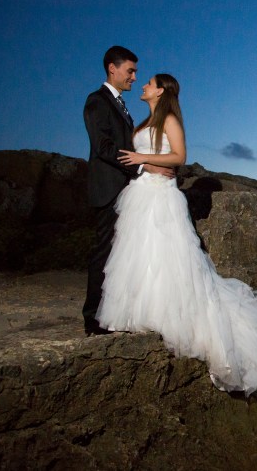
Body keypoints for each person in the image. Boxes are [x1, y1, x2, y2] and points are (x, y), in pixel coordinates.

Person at [95, 73, 257, 407]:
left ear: (161, 90)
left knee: (168, 257)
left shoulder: (168, 118)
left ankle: (173, 318)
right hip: (140, 194)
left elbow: (178, 157)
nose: (142, 84)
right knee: (139, 254)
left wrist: (143, 159)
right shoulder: (145, 121)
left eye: (149, 82)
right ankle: (138, 313)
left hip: (162, 196)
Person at [82, 46, 173, 336]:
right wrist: (144, 167)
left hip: (127, 191)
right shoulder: (97, 102)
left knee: (122, 255)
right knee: (104, 253)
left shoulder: (120, 105)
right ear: (113, 68)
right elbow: (104, 148)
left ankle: (118, 312)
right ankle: (93, 318)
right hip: (108, 189)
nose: (135, 77)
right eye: (130, 71)